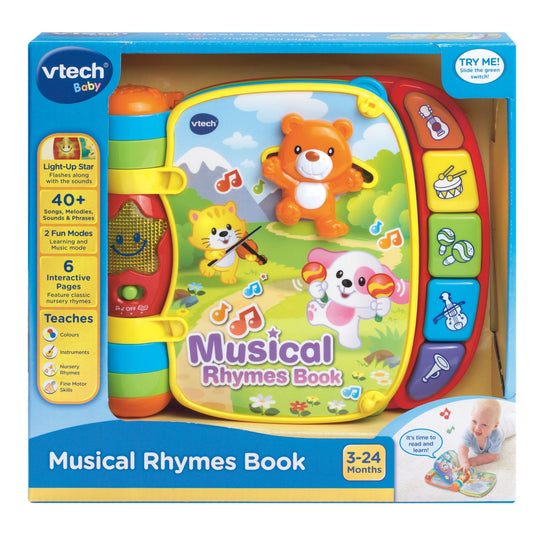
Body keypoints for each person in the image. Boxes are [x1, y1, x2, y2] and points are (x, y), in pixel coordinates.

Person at [458, 399, 505, 473]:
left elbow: (492, 455)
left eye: (484, 425)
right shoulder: (468, 432)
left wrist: (474, 461)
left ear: (494, 426)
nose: (477, 428)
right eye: (474, 421)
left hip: (504, 429)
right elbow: (462, 448)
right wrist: (464, 463)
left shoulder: (496, 436)